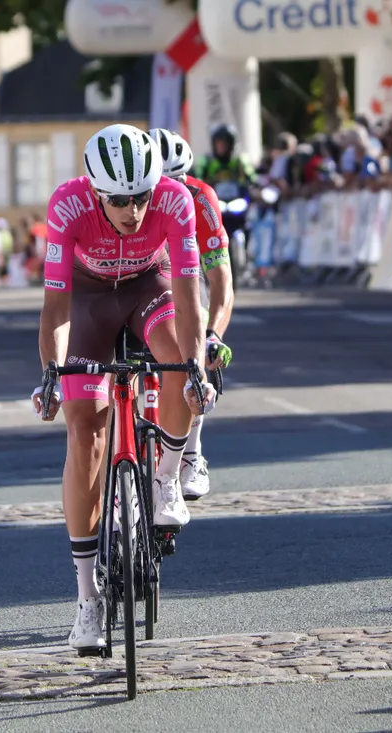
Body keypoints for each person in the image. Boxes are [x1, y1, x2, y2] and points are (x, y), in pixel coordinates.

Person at [30, 124, 214, 652]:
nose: (133, 210)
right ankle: (87, 599)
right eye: (119, 200)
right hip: (88, 299)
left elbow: (188, 295)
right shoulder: (67, 206)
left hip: (149, 288)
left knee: (177, 366)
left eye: (141, 197)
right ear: (94, 191)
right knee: (85, 427)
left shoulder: (174, 202)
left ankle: (165, 475)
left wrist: (195, 364)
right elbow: (57, 308)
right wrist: (51, 372)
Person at [150, 128, 235, 501]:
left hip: (184, 274)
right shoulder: (131, 202)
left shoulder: (201, 199)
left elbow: (221, 282)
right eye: (163, 184)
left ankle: (192, 453)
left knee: (195, 340)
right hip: (147, 274)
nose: (174, 192)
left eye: (180, 181)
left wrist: (213, 334)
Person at [192, 123, 258, 203]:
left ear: (231, 144)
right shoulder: (207, 161)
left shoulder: (239, 161)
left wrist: (251, 185)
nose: (221, 147)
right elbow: (198, 179)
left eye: (224, 143)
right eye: (218, 143)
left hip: (237, 200)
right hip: (214, 201)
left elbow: (251, 179)